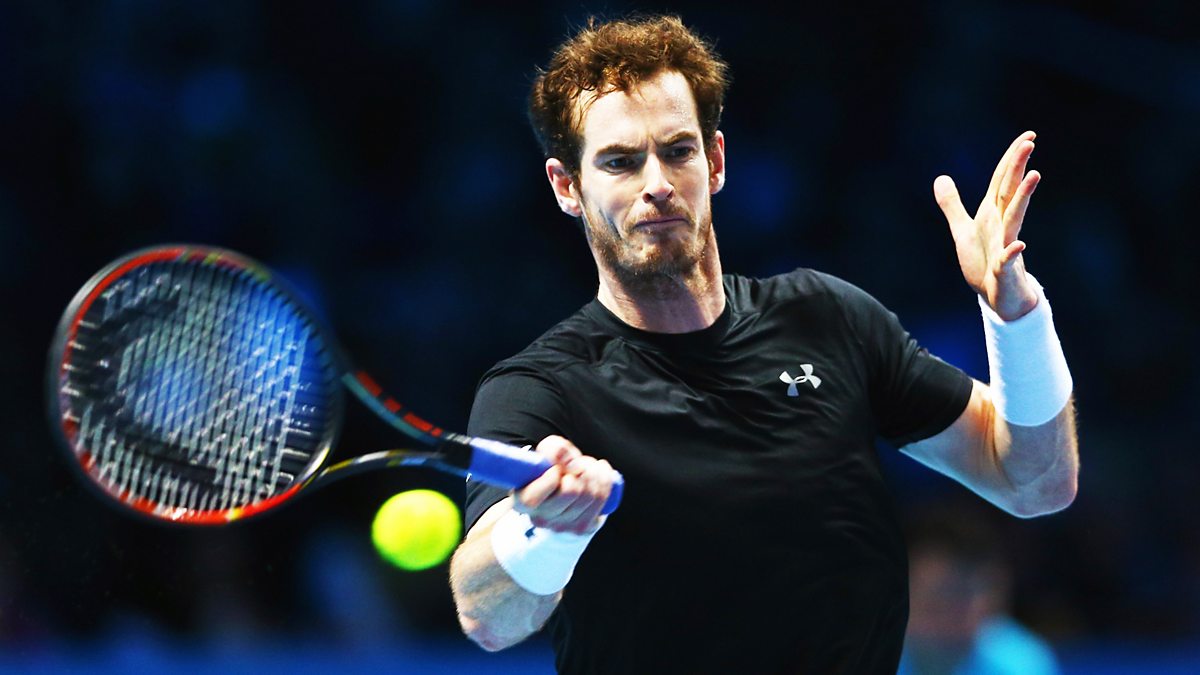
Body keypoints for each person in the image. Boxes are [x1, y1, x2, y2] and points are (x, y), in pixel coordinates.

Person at [448, 14, 1078, 674]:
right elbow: (487, 616)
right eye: (620, 162)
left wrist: (1017, 317)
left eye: (678, 151)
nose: (657, 182)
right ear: (567, 186)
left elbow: (1035, 481)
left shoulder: (829, 318)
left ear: (716, 161)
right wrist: (547, 532)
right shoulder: (539, 388)